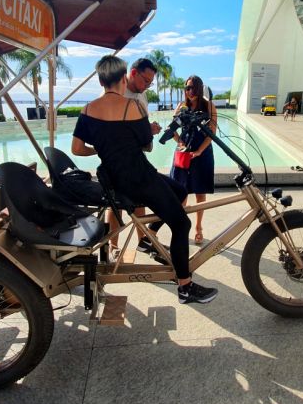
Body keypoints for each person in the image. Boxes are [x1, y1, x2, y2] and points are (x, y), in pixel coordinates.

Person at [72, 55, 217, 305]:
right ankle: (185, 286)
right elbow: (146, 143)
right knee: (181, 224)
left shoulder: (87, 110)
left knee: (180, 192)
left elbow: (77, 149)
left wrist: (101, 149)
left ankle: (148, 238)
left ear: (101, 80)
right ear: (123, 77)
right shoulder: (133, 107)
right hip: (140, 178)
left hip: (114, 179)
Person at [107, 57, 162, 250]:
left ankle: (143, 241)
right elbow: (112, 129)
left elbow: (139, 124)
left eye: (150, 82)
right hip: (117, 160)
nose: (147, 86)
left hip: (137, 156)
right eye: (145, 80)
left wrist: (149, 129)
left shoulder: (141, 94)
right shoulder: (117, 93)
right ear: (133, 73)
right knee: (116, 205)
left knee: (140, 200)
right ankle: (113, 246)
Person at [170, 74, 217, 245]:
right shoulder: (182, 106)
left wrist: (199, 151)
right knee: (180, 191)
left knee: (200, 192)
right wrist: (180, 142)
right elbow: (172, 129)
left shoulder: (209, 106)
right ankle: (182, 228)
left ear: (199, 88)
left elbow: (212, 133)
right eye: (187, 88)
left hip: (202, 151)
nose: (190, 91)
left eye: (193, 88)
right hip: (184, 152)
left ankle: (198, 227)